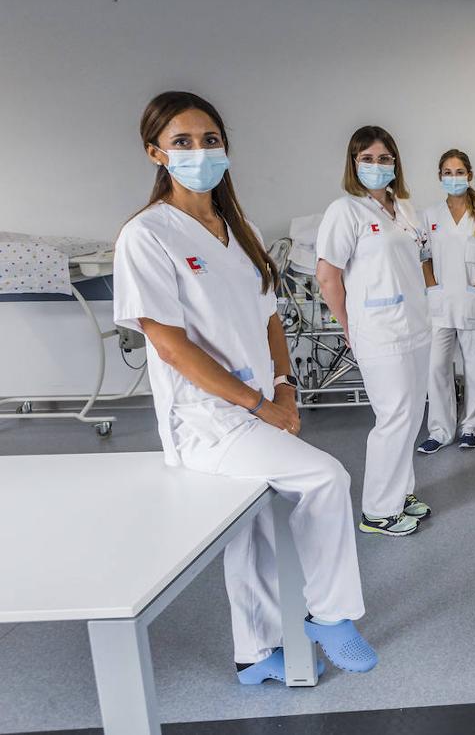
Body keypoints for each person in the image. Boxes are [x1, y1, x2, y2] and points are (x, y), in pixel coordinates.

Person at [113, 91, 377, 682]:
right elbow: (171, 346)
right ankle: (331, 614)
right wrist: (259, 404)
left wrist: (284, 390)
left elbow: (269, 319)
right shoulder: (147, 235)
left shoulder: (242, 229)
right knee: (326, 478)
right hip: (206, 419)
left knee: (253, 524)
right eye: (182, 142)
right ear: (155, 153)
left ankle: (254, 654)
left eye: (210, 139)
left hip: (259, 406)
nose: (199, 151)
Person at [316, 126, 433, 537]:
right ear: (353, 163)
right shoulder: (344, 211)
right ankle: (377, 511)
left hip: (416, 326)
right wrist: (350, 327)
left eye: (384, 158)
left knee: (412, 414)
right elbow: (328, 277)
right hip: (379, 331)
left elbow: (417, 262)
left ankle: (401, 493)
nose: (377, 165)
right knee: (393, 417)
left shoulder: (404, 208)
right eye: (367, 158)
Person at [418, 149, 475, 453]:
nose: (453, 177)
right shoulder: (429, 216)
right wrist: (432, 286)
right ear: (439, 176)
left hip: (473, 303)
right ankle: (440, 430)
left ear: (469, 175)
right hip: (440, 304)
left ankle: (471, 427)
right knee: (436, 369)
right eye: (447, 172)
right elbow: (424, 257)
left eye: (459, 172)